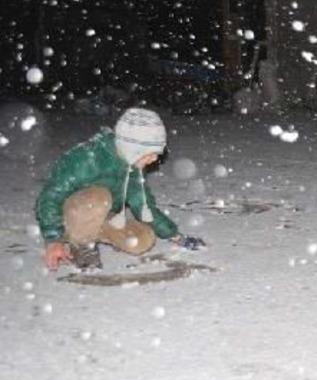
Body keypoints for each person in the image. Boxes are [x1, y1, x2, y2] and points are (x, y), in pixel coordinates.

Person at [36, 107, 205, 271]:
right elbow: (50, 197)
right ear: (131, 147)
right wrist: (53, 239)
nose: (153, 160)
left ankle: (92, 233)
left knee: (142, 240)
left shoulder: (132, 167)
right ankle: (80, 246)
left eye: (156, 154)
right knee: (99, 196)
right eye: (149, 153)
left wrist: (174, 236)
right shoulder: (86, 159)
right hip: (68, 216)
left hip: (99, 215)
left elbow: (143, 205)